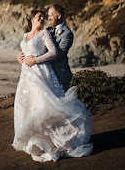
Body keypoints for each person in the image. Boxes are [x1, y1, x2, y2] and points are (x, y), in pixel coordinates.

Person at [12, 9, 93, 162]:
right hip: (26, 76)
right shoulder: (25, 36)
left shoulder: (44, 34)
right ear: (31, 19)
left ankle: (56, 141)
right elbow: (25, 51)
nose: (42, 18)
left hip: (41, 73)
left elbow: (54, 52)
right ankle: (35, 140)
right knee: (29, 106)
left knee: (46, 106)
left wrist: (35, 60)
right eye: (39, 16)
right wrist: (20, 57)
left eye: (44, 16)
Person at [18, 4, 73, 91]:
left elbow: (58, 54)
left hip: (58, 73)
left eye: (50, 16)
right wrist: (22, 57)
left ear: (58, 16)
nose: (48, 18)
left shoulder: (67, 33)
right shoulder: (47, 30)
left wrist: (35, 60)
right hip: (36, 71)